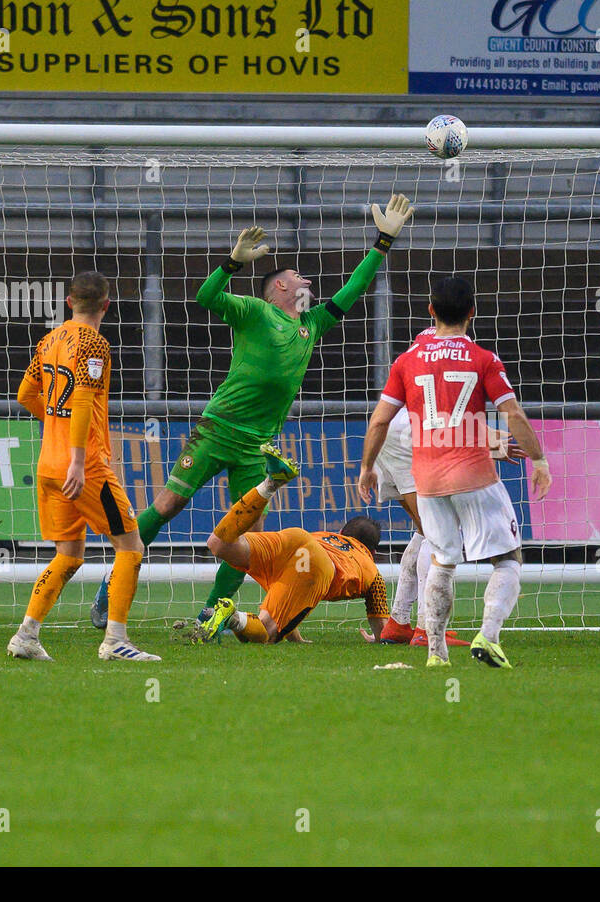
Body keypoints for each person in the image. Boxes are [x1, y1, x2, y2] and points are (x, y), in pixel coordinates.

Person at [88, 195, 415, 635]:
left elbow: (352, 291)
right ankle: (114, 583)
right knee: (168, 504)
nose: (307, 279)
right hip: (218, 427)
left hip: (256, 445)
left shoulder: (311, 324)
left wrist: (383, 242)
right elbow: (206, 296)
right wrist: (232, 262)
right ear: (279, 287)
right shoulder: (254, 311)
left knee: (247, 540)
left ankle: (213, 612)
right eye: (298, 275)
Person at [358, 276, 553, 668]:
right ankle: (490, 636)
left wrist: (366, 467)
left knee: (443, 560)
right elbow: (512, 413)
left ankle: (435, 653)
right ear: (472, 313)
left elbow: (379, 422)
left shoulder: (406, 360)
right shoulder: (484, 358)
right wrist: (539, 460)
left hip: (427, 478)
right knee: (508, 558)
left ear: (431, 311)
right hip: (473, 475)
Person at [9, 272, 158, 663]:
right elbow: (83, 402)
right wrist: (77, 458)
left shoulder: (49, 340)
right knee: (131, 547)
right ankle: (115, 641)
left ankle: (27, 634)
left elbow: (26, 394)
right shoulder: (94, 342)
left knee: (70, 555)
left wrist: (54, 426)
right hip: (84, 466)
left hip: (48, 465)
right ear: (107, 305)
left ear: (69, 301)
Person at [202, 445, 391, 645]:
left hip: (298, 538)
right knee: (268, 634)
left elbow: (291, 588)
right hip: (320, 564)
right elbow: (383, 631)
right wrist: (377, 638)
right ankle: (232, 616)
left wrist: (297, 639)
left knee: (220, 544)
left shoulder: (327, 536)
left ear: (341, 533)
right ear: (372, 552)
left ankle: (269, 484)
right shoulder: (372, 572)